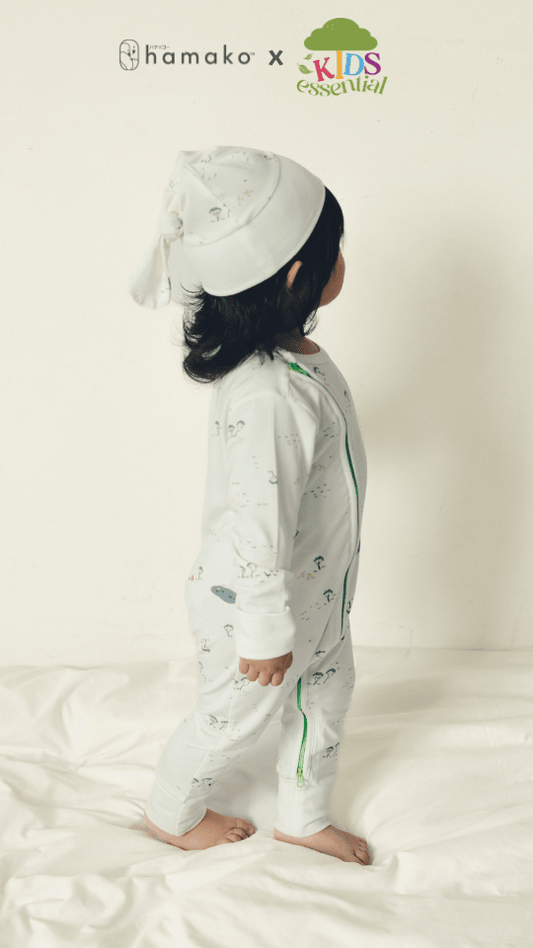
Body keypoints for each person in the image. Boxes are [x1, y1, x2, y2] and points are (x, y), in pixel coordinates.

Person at [129, 146, 370, 865]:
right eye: (334, 250)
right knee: (232, 715)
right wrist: (264, 626)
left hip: (316, 594)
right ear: (297, 275)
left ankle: (302, 814)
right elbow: (257, 521)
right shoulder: (270, 393)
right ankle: (171, 813)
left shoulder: (295, 362)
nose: (342, 260)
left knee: (324, 696)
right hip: (255, 604)